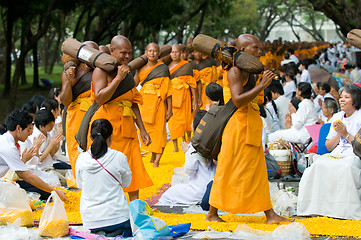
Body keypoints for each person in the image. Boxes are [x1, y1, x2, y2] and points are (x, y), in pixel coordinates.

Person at [207, 34, 291, 224]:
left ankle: (270, 214)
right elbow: (237, 100)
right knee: (227, 169)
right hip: (237, 127)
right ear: (243, 50)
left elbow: (255, 99)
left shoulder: (251, 70)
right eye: (255, 48)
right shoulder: (235, 71)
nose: (259, 51)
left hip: (250, 125)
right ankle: (212, 213)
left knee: (257, 171)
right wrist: (262, 85)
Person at [89, 35, 153, 201]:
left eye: (130, 53)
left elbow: (132, 102)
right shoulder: (100, 70)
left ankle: (134, 207)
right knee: (108, 166)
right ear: (112, 51)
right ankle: (110, 204)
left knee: (133, 167)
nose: (127, 57)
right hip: (108, 128)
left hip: (128, 129)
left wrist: (142, 129)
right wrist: (118, 78)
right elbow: (100, 98)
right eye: (123, 53)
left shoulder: (127, 72)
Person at [297, 84, 361, 220]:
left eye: (347, 97)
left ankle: (345, 210)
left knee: (346, 168)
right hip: (337, 152)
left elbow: (358, 146)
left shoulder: (359, 117)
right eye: (341, 97)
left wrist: (345, 133)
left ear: (355, 101)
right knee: (317, 166)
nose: (342, 100)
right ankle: (316, 208)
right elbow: (328, 146)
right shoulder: (337, 116)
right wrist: (339, 134)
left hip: (353, 154)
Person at [76, 119, 132, 237]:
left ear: (90, 137)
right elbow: (127, 183)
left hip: (91, 220)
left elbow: (80, 185)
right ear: (111, 137)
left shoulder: (81, 159)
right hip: (118, 217)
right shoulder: (119, 157)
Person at [0, 109, 68, 202]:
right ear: (19, 128)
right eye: (28, 130)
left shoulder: (10, 141)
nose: (30, 133)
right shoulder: (8, 147)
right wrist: (54, 191)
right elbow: (26, 175)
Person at [158, 110, 216, 205]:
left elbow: (190, 170)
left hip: (199, 190)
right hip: (214, 189)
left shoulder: (195, 144)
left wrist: (187, 152)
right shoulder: (216, 141)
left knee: (167, 195)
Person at [60, 41, 99, 177]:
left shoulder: (100, 70)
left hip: (96, 112)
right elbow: (65, 101)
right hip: (77, 115)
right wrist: (69, 82)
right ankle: (82, 180)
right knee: (77, 148)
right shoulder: (71, 70)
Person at [135, 43, 173, 167]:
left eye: (155, 51)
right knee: (147, 131)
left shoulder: (163, 68)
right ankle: (152, 155)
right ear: (146, 53)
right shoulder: (140, 68)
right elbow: (134, 84)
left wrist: (170, 109)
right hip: (145, 104)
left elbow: (168, 90)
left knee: (159, 132)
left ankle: (157, 160)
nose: (152, 53)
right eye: (150, 51)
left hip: (159, 104)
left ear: (159, 53)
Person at [168, 44, 198, 152]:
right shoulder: (167, 66)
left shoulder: (187, 65)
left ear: (181, 54)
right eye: (172, 52)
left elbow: (192, 84)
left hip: (184, 96)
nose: (174, 54)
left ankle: (185, 141)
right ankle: (175, 146)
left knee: (184, 120)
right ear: (170, 54)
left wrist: (195, 100)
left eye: (177, 52)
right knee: (173, 123)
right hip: (172, 97)